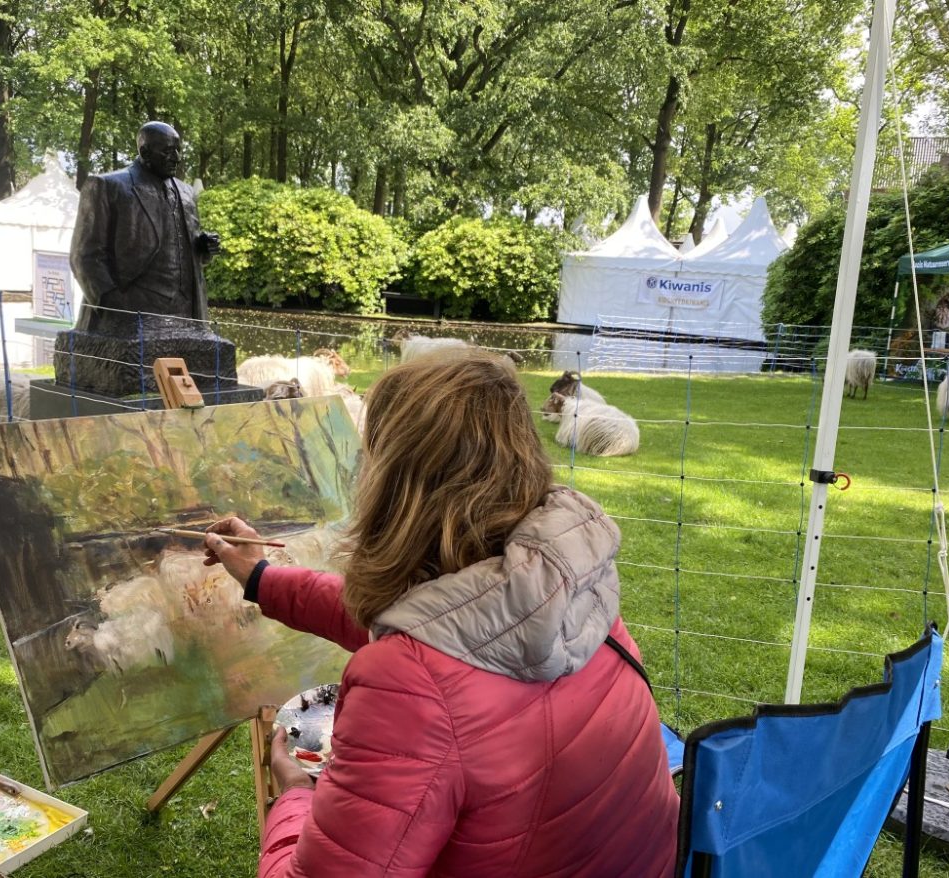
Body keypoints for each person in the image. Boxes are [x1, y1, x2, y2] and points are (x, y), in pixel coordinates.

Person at [205, 351, 679, 878]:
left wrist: (293, 798)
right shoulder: (569, 585)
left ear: (396, 487)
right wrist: (260, 578)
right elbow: (443, 627)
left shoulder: (412, 684)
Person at [69, 121, 218, 333]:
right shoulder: (108, 186)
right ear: (145, 152)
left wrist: (203, 249)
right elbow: (85, 256)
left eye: (178, 150)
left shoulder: (187, 193)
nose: (176, 157)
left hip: (185, 317)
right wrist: (114, 308)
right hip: (132, 315)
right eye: (168, 151)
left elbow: (186, 254)